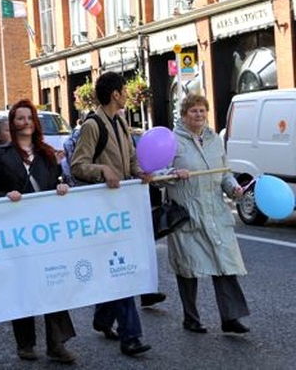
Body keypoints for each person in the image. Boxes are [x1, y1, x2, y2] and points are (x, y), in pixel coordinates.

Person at [0, 100, 76, 364]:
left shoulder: (46, 153)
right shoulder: (0, 156)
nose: (24, 122)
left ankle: (56, 343)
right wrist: (4, 195)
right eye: (19, 118)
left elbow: (60, 180)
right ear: (12, 124)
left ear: (35, 122)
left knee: (53, 282)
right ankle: (25, 344)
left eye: (28, 118)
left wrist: (62, 187)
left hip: (46, 230)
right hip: (16, 232)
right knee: (22, 285)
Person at [69, 71, 152, 356]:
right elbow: (78, 165)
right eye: (124, 91)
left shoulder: (120, 121)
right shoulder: (93, 125)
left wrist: (140, 171)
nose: (127, 95)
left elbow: (130, 158)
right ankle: (131, 337)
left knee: (116, 266)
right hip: (101, 210)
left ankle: (103, 317)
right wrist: (102, 170)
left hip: (123, 208)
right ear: (115, 94)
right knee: (121, 269)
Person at [165, 94, 250, 334]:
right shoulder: (172, 141)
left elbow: (225, 173)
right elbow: (155, 175)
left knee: (225, 265)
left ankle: (230, 318)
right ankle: (191, 318)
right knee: (188, 268)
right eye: (194, 111)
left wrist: (234, 188)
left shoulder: (215, 140)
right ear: (184, 115)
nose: (199, 115)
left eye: (202, 110)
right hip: (187, 214)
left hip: (215, 213)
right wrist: (171, 172)